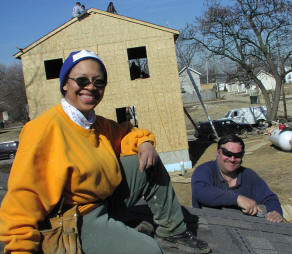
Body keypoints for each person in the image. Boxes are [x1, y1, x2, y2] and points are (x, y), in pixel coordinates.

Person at [0, 50, 210, 254]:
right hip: (80, 216)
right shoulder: (43, 130)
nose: (91, 87)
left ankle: (172, 232)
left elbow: (127, 135)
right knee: (150, 250)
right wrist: (21, 249)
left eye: (98, 82)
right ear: (65, 84)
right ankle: (118, 234)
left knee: (150, 162)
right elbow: (23, 198)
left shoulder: (97, 124)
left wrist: (144, 142)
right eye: (82, 80)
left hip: (107, 199)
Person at [191, 134, 283, 223]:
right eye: (227, 153)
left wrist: (275, 212)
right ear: (218, 153)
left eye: (237, 155)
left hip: (244, 229)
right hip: (210, 227)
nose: (232, 159)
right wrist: (238, 199)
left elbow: (270, 198)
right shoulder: (204, 170)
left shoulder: (249, 175)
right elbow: (201, 192)